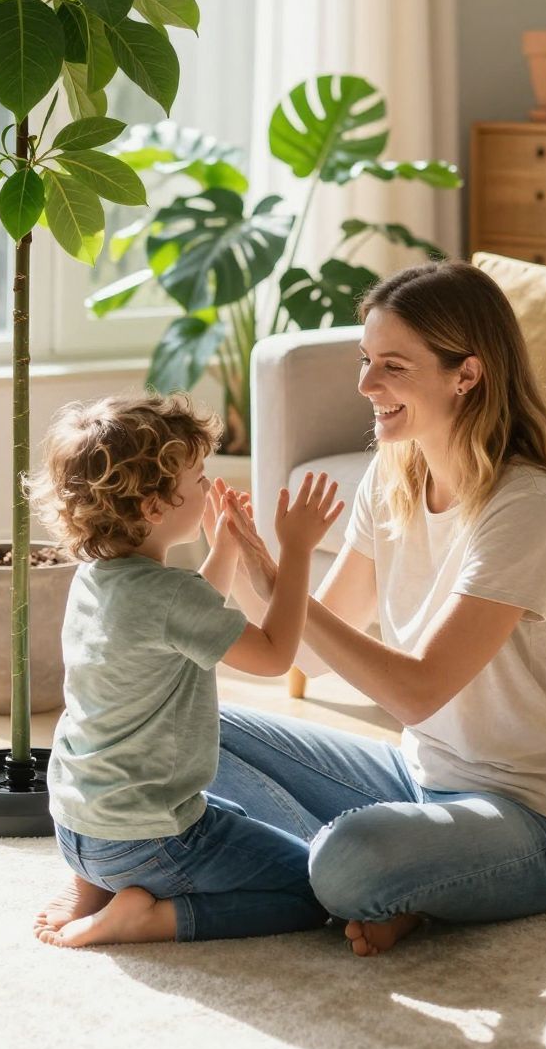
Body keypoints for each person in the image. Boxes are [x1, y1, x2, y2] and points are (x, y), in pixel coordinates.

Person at [217, 259, 546, 958]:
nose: (367, 386)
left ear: (467, 373)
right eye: (366, 360)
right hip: (421, 776)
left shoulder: (527, 505)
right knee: (198, 726)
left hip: (536, 822)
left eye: (394, 367)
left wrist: (291, 586)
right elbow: (304, 657)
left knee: (350, 857)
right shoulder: (394, 473)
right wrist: (259, 568)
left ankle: (356, 877)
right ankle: (402, 885)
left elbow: (417, 690)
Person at [28, 393, 344, 948]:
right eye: (198, 478)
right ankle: (151, 919)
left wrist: (222, 546)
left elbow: (190, 617)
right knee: (320, 890)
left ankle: (91, 888)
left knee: (210, 800)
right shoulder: (171, 598)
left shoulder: (95, 579)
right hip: (145, 843)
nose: (207, 486)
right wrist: (295, 551)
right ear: (154, 507)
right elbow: (273, 656)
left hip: (78, 826)